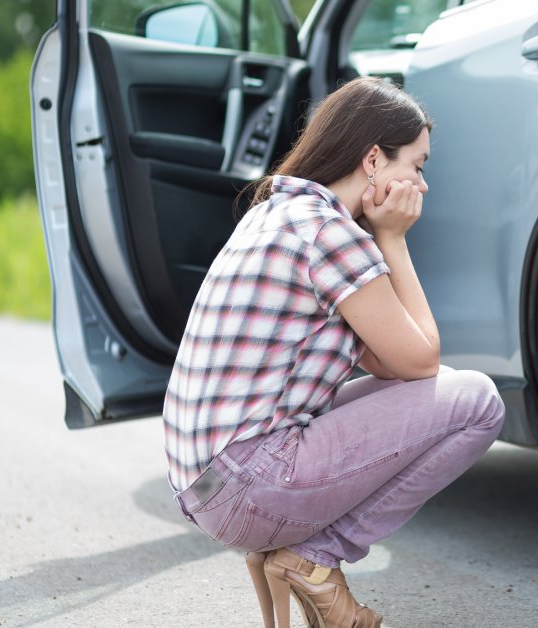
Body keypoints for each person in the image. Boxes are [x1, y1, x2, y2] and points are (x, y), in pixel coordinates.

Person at [163, 77, 506, 628]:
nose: (422, 183)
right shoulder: (330, 235)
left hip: (207, 485)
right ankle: (314, 556)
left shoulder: (277, 212)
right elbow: (422, 359)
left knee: (424, 389)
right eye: (416, 166)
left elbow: (396, 366)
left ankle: (298, 557)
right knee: (479, 403)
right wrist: (393, 238)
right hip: (247, 485)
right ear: (373, 159)